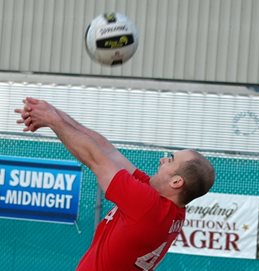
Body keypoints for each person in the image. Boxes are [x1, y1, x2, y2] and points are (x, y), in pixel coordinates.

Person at [15, 97, 215, 271]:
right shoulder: (166, 206)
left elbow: (96, 158)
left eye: (171, 159)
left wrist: (52, 119)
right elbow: (106, 149)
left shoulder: (147, 206)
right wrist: (53, 113)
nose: (163, 160)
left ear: (176, 182)